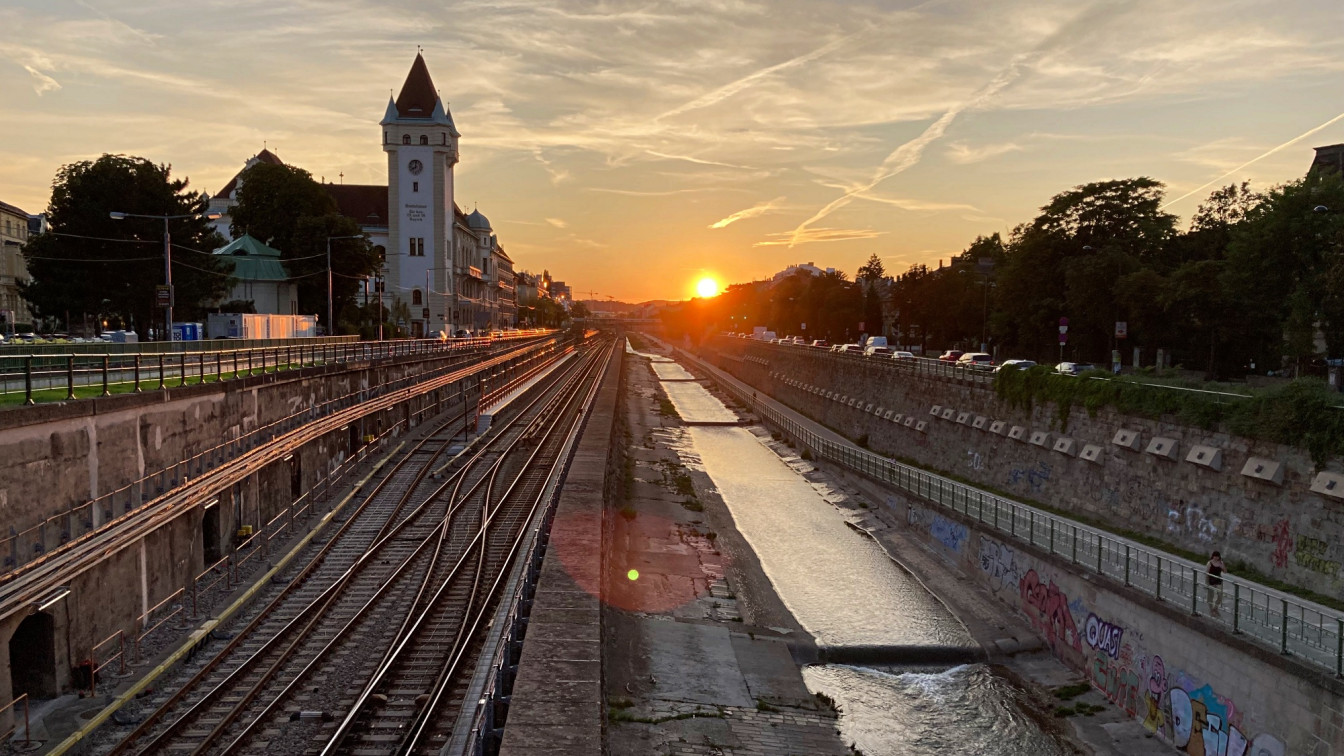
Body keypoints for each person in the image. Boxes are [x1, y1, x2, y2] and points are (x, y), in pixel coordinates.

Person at [1205, 551, 1226, 616]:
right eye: (1215, 556)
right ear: (1213, 556)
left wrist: (1222, 566)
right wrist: (1207, 583)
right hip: (1211, 580)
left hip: (1218, 580)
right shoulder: (1209, 563)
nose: (1216, 558)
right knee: (1210, 596)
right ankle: (1211, 610)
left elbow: (1225, 571)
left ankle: (1215, 608)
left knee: (1220, 595)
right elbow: (1207, 573)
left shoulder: (1221, 562)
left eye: (1217, 556)